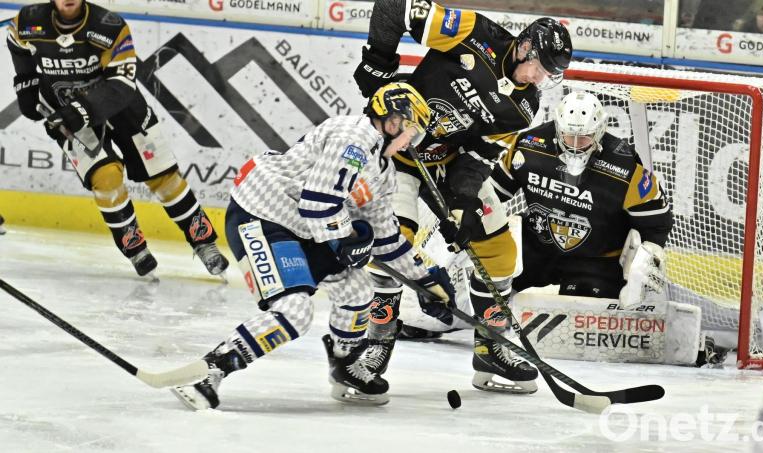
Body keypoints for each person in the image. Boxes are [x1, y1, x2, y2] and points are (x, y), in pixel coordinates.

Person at [170, 83, 457, 410]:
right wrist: (349, 239)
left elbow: (387, 237)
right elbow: (318, 203)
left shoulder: (382, 170)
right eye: (413, 133)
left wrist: (426, 280)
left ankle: (345, 363)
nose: (413, 143)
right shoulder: (354, 138)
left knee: (357, 293)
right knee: (294, 312)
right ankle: (210, 369)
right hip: (262, 213)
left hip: (303, 228)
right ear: (393, 122)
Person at [352, 0, 572, 394]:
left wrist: (464, 201)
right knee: (393, 245)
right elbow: (393, 7)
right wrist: (379, 62)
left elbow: (479, 155)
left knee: (500, 252)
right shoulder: (473, 32)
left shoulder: (525, 107)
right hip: (399, 153)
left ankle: (490, 349)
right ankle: (376, 343)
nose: (538, 77)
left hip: (449, 163)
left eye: (547, 74)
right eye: (537, 66)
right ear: (524, 47)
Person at [6, 0, 228, 277]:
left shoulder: (110, 26)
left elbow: (122, 85)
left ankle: (204, 243)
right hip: (66, 111)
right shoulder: (27, 21)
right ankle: (135, 248)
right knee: (106, 178)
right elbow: (17, 45)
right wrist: (26, 82)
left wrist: (81, 110)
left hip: (120, 107)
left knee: (162, 177)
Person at [490, 91, 673, 303]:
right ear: (558, 129)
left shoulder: (626, 167)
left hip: (597, 260)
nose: (575, 146)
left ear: (599, 132)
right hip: (538, 250)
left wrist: (646, 258)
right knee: (491, 282)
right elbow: (493, 193)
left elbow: (657, 223)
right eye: (569, 136)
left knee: (583, 315)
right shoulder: (528, 146)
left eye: (584, 138)